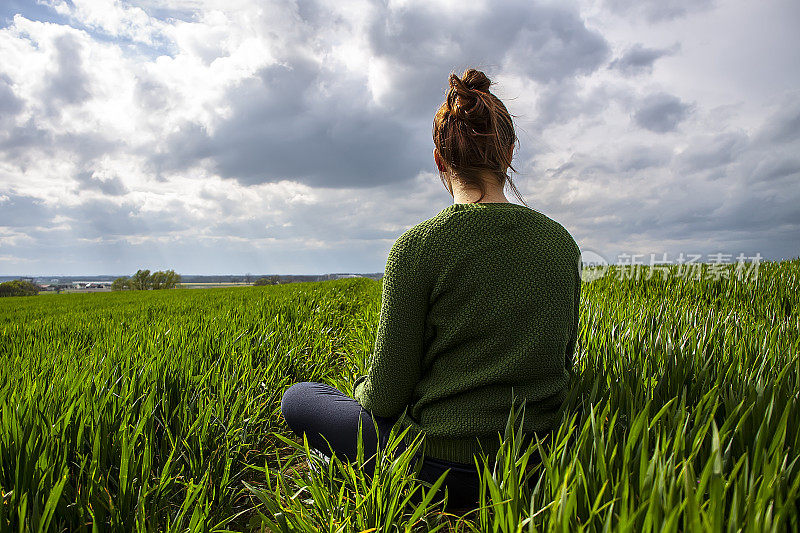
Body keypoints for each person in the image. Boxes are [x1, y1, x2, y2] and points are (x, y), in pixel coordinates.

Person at [280, 67, 582, 511]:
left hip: (439, 472)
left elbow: (385, 396)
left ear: (441, 160)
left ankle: (354, 472)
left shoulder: (417, 247)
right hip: (536, 464)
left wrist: (363, 391)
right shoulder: (561, 243)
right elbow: (562, 357)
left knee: (300, 397)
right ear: (510, 152)